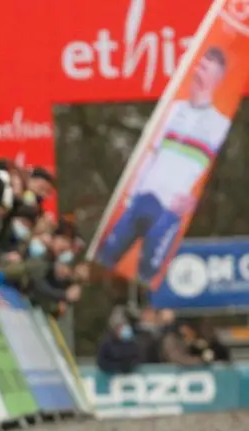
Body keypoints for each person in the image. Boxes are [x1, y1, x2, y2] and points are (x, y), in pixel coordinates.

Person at [95, 46, 232, 282]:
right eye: (198, 65)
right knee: (104, 258)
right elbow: (152, 154)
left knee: (148, 271)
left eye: (205, 68)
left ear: (216, 78)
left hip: (168, 210)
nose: (197, 71)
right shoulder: (174, 109)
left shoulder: (218, 124)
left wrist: (185, 206)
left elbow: (215, 172)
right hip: (142, 198)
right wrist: (131, 195)